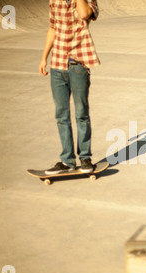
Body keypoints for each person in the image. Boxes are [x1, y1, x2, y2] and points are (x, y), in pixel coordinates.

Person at [39, 0, 100, 175]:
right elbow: (52, 28)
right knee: (61, 115)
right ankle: (67, 161)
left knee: (81, 113)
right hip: (57, 64)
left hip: (78, 64)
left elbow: (84, 14)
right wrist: (44, 58)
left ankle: (85, 158)